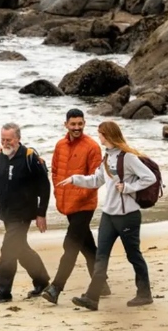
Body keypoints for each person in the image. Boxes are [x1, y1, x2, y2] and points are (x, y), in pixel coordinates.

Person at [56, 120, 156, 309]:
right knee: (101, 256)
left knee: (133, 255)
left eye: (100, 133)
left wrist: (128, 187)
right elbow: (96, 180)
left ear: (108, 135)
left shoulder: (128, 158)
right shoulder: (107, 157)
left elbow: (149, 178)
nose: (98, 136)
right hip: (109, 215)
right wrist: (74, 179)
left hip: (128, 216)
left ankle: (145, 293)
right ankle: (92, 298)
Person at [0, 122, 52, 304]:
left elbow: (44, 186)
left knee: (8, 249)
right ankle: (42, 282)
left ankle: (3, 292)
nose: (5, 143)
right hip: (7, 213)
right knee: (20, 249)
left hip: (24, 213)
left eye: (9, 139)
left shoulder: (29, 157)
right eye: (3, 139)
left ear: (18, 139)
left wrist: (41, 213)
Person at [41, 108, 102, 305]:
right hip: (66, 204)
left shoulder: (92, 147)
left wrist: (78, 198)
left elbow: (95, 179)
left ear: (84, 124)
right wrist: (59, 195)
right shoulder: (60, 145)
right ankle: (102, 282)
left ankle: (55, 288)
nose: (76, 127)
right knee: (87, 245)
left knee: (71, 245)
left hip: (84, 205)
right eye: (73, 124)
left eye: (80, 124)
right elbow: (56, 171)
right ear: (66, 124)